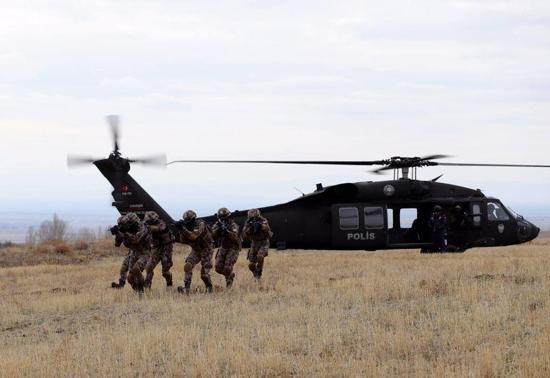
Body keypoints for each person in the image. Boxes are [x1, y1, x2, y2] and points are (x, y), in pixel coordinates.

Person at [175, 210, 215, 293]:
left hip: (206, 249)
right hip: (196, 250)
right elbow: (183, 240)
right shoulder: (187, 227)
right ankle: (187, 288)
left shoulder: (200, 224)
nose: (188, 222)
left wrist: (183, 228)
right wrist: (180, 230)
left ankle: (209, 288)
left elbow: (193, 236)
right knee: (188, 266)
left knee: (204, 274)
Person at [120, 212, 152, 292]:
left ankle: (143, 288)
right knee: (130, 278)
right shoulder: (130, 229)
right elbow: (127, 244)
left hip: (145, 253)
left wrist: (126, 233)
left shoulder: (143, 226)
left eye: (131, 223)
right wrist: (120, 233)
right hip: (134, 253)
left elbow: (136, 240)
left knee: (136, 269)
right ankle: (138, 291)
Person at [143, 211, 174, 288]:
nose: (147, 222)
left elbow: (160, 229)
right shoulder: (147, 224)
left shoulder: (162, 223)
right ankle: (147, 286)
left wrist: (148, 227)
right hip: (156, 248)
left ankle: (169, 283)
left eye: (149, 220)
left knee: (165, 272)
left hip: (166, 249)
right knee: (149, 267)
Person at [212, 208, 241, 288]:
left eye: (224, 217)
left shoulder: (233, 225)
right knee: (218, 268)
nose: (222, 219)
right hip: (223, 247)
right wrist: (218, 229)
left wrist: (227, 231)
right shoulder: (217, 224)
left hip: (233, 247)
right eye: (220, 217)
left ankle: (229, 283)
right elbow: (212, 235)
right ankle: (230, 276)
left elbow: (234, 237)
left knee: (227, 268)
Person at [242, 209, 273, 281]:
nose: (253, 218)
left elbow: (268, 230)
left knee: (260, 256)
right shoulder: (248, 222)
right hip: (254, 244)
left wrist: (261, 226)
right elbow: (244, 234)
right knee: (251, 265)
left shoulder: (263, 220)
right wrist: (249, 228)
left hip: (263, 242)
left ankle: (259, 271)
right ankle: (256, 275)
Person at [110, 215, 130, 289]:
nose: (121, 226)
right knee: (123, 268)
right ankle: (121, 285)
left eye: (122, 224)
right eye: (119, 224)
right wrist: (117, 234)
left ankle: (142, 286)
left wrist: (124, 233)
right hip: (133, 252)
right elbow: (117, 244)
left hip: (142, 252)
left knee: (135, 271)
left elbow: (135, 239)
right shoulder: (122, 231)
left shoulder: (134, 228)